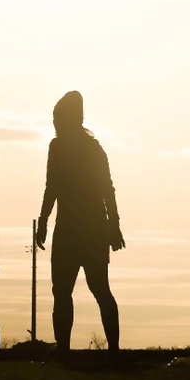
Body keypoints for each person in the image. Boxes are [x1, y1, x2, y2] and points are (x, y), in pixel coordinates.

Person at [36, 91, 124, 361]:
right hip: (89, 228)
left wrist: (43, 222)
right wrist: (113, 224)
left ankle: (81, 350)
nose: (54, 124)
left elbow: (55, 186)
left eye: (57, 119)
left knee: (71, 291)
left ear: (68, 119)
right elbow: (105, 189)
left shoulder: (63, 147)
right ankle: (107, 351)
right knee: (87, 290)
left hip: (77, 230)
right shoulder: (87, 148)